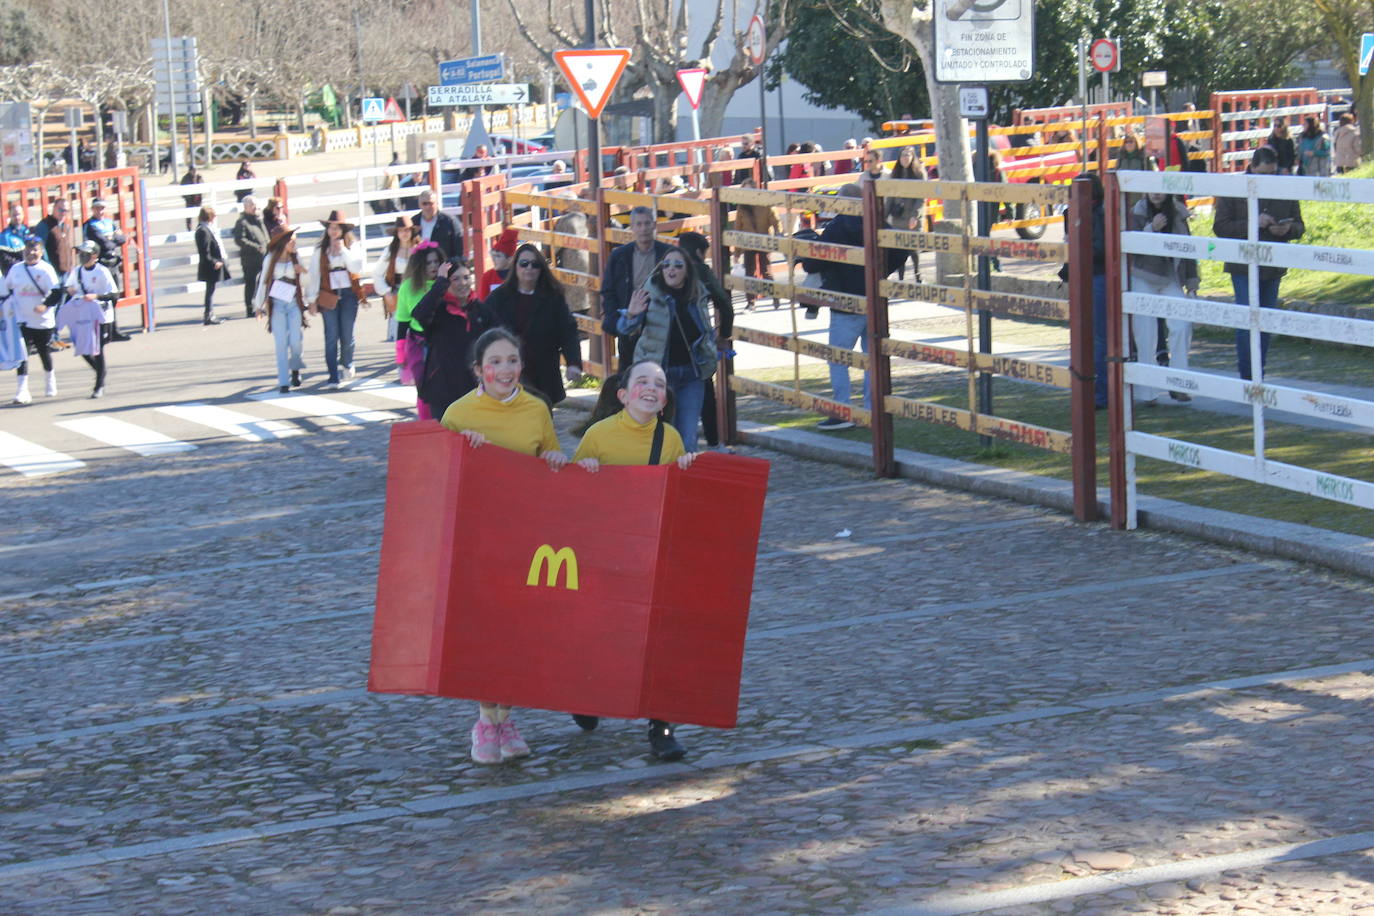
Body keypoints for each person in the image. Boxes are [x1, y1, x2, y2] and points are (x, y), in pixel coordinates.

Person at [438, 326, 569, 765]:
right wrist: (463, 451)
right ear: (479, 369)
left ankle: (506, 717)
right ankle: (484, 720)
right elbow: (439, 480)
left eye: (511, 360)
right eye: (494, 362)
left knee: (517, 632)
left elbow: (550, 460)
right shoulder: (457, 414)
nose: (504, 369)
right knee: (485, 632)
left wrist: (554, 460)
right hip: (477, 539)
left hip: (526, 539)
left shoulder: (536, 409)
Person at [570, 359, 698, 760]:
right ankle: (588, 693)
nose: (651, 387)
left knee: (660, 639)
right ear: (623, 395)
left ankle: (661, 725)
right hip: (607, 555)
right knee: (606, 634)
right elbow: (570, 499)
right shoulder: (598, 435)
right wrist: (585, 469)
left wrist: (688, 471)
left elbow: (681, 495)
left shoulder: (672, 438)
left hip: (654, 552)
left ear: (663, 401)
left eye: (659, 384)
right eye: (642, 381)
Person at [1213, 145, 1303, 380]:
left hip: (1273, 266)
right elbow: (1220, 227)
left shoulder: (1285, 188)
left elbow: (1300, 226)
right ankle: (1247, 377)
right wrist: (1254, 222)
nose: (1267, 179)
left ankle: (1258, 375)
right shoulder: (1233, 189)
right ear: (1252, 168)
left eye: (1271, 174)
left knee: (1266, 323)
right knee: (1246, 322)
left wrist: (1287, 228)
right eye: (1262, 174)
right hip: (1242, 265)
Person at [612, 244, 716, 448]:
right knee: (664, 435)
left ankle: (683, 478)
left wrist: (711, 351)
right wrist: (631, 314)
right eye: (666, 265)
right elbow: (624, 329)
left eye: (678, 265)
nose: (672, 269)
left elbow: (705, 331)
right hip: (659, 377)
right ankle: (660, 477)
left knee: (687, 438)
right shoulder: (649, 294)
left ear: (686, 271)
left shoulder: (697, 296)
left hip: (691, 375)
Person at [485, 243, 583, 404]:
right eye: (524, 263)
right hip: (508, 373)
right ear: (515, 266)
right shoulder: (498, 298)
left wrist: (573, 363)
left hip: (544, 371)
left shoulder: (553, 298)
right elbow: (485, 333)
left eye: (535, 264)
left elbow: (568, 331)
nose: (529, 268)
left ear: (541, 269)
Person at [1128, 192, 1199, 405]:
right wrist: (1151, 229)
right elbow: (1130, 247)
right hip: (1143, 275)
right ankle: (1147, 392)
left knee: (1181, 326)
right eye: (1152, 190)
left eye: (1160, 189)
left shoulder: (1178, 212)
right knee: (1145, 332)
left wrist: (1192, 283)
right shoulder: (1137, 212)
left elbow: (1188, 249)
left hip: (1171, 276)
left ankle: (1178, 384)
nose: (1156, 194)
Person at [409, 257, 494, 418]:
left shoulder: (481, 310)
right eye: (455, 279)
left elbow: (499, 337)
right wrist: (439, 283)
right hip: (443, 391)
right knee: (447, 441)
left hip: (476, 390)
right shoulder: (437, 310)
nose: (463, 283)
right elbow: (419, 314)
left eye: (466, 277)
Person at [676, 231, 733, 450]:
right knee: (706, 392)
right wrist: (724, 335)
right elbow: (724, 304)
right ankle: (713, 441)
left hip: (669, 343)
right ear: (700, 252)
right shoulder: (701, 270)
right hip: (698, 341)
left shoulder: (665, 267)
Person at [600, 206, 671, 369]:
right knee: (629, 373)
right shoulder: (619, 256)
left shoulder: (667, 253)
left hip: (660, 325)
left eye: (647, 224)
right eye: (638, 224)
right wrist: (616, 320)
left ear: (654, 225)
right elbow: (607, 291)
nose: (643, 229)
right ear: (632, 227)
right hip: (630, 323)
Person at [305, 210, 367, 388]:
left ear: (343, 230)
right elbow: (314, 275)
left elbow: (357, 267)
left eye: (337, 228)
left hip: (348, 293)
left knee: (347, 334)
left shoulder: (352, 246)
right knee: (331, 335)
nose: (333, 231)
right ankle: (333, 375)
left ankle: (347, 361)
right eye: (331, 228)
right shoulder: (320, 250)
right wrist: (311, 299)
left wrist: (343, 251)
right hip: (327, 293)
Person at [5, 236, 62, 402]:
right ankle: (22, 390)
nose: (31, 253)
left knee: (43, 352)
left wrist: (45, 306)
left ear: (41, 251)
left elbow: (57, 293)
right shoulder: (16, 269)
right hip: (22, 320)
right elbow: (7, 289)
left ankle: (50, 380)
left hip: (42, 320)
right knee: (23, 354)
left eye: (35, 249)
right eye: (28, 249)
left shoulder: (46, 270)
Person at [253, 226, 309, 393]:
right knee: (280, 342)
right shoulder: (271, 258)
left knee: (296, 340)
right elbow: (263, 281)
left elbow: (307, 281)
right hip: (277, 303)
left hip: (293, 301)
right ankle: (284, 381)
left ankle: (296, 368)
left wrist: (303, 271)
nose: (293, 242)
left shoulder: (296, 257)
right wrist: (258, 306)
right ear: (282, 242)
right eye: (290, 239)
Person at [60, 240, 118, 398]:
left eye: (85, 254)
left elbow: (114, 294)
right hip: (84, 315)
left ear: (94, 255)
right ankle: (101, 371)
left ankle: (99, 384)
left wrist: (96, 296)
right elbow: (67, 286)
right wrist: (70, 290)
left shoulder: (102, 271)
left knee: (97, 348)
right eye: (80, 253)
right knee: (83, 348)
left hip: (101, 315)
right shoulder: (77, 271)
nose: (82, 257)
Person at [393, 240, 443, 413]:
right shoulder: (407, 287)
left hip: (442, 341)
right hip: (418, 343)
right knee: (423, 388)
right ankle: (425, 422)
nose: (433, 266)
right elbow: (402, 322)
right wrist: (400, 352)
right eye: (429, 262)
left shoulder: (446, 283)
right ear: (420, 264)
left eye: (436, 262)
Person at [733, 176, 779, 310]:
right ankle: (751, 302)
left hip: (764, 240)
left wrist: (778, 233)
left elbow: (775, 220)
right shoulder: (742, 208)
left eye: (749, 190)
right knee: (749, 272)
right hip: (749, 242)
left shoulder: (765, 203)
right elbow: (738, 229)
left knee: (766, 271)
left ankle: (775, 296)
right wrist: (737, 252)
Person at [372, 215, 418, 342]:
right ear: (397, 233)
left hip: (418, 289)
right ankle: (402, 358)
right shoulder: (390, 250)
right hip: (398, 291)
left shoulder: (420, 248)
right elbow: (377, 273)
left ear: (412, 231)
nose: (404, 233)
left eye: (407, 230)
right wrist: (386, 292)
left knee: (418, 325)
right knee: (400, 328)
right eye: (401, 230)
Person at [885, 146, 927, 282]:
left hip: (912, 215)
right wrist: (883, 217)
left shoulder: (919, 173)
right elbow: (890, 197)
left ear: (913, 156)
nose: (905, 158)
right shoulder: (895, 173)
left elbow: (922, 197)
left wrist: (915, 215)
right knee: (899, 249)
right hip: (899, 216)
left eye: (908, 155)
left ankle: (917, 273)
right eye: (903, 155)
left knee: (913, 248)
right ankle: (901, 278)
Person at [233, 196, 270, 320]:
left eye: (256, 205)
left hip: (263, 257)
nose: (256, 208)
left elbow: (265, 236)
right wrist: (255, 247)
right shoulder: (242, 222)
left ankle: (261, 305)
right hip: (250, 259)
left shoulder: (258, 220)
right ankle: (250, 308)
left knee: (263, 282)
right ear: (246, 207)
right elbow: (239, 240)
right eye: (253, 205)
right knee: (251, 283)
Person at [194, 205, 230, 326]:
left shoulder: (206, 229)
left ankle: (209, 314)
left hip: (211, 264)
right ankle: (208, 315)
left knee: (211, 290)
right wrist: (215, 262)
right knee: (210, 291)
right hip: (209, 266)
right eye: (213, 215)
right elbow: (205, 252)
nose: (215, 217)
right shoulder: (203, 231)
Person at [413, 189, 462, 259]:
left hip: (444, 265)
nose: (428, 206)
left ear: (437, 203)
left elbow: (459, 249)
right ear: (419, 205)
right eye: (424, 203)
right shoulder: (414, 222)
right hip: (420, 266)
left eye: (431, 203)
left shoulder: (450, 222)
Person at [34, 198, 74, 277]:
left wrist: (71, 266)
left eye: (66, 211)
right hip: (53, 273)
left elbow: (69, 249)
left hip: (67, 272)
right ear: (54, 208)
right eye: (61, 210)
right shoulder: (44, 225)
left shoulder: (66, 226)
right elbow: (41, 249)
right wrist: (49, 269)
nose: (63, 213)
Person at [478, 227, 518, 299]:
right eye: (492, 255)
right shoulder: (488, 276)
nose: (493, 259)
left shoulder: (519, 275)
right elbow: (482, 303)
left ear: (510, 259)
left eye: (498, 256)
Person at [0, 203, 28, 274]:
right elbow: (5, 260)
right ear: (10, 216)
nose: (17, 217)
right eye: (14, 215)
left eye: (19, 214)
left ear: (23, 215)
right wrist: (24, 267)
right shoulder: (4, 236)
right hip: (16, 275)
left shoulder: (28, 232)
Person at [180, 165, 203, 230]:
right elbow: (182, 189)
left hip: (197, 198)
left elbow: (203, 186)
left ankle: (200, 227)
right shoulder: (185, 178)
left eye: (195, 170)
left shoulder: (199, 177)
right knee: (189, 215)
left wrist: (201, 195)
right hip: (190, 199)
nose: (194, 172)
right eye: (193, 170)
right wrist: (187, 198)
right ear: (190, 171)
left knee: (200, 214)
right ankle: (189, 228)